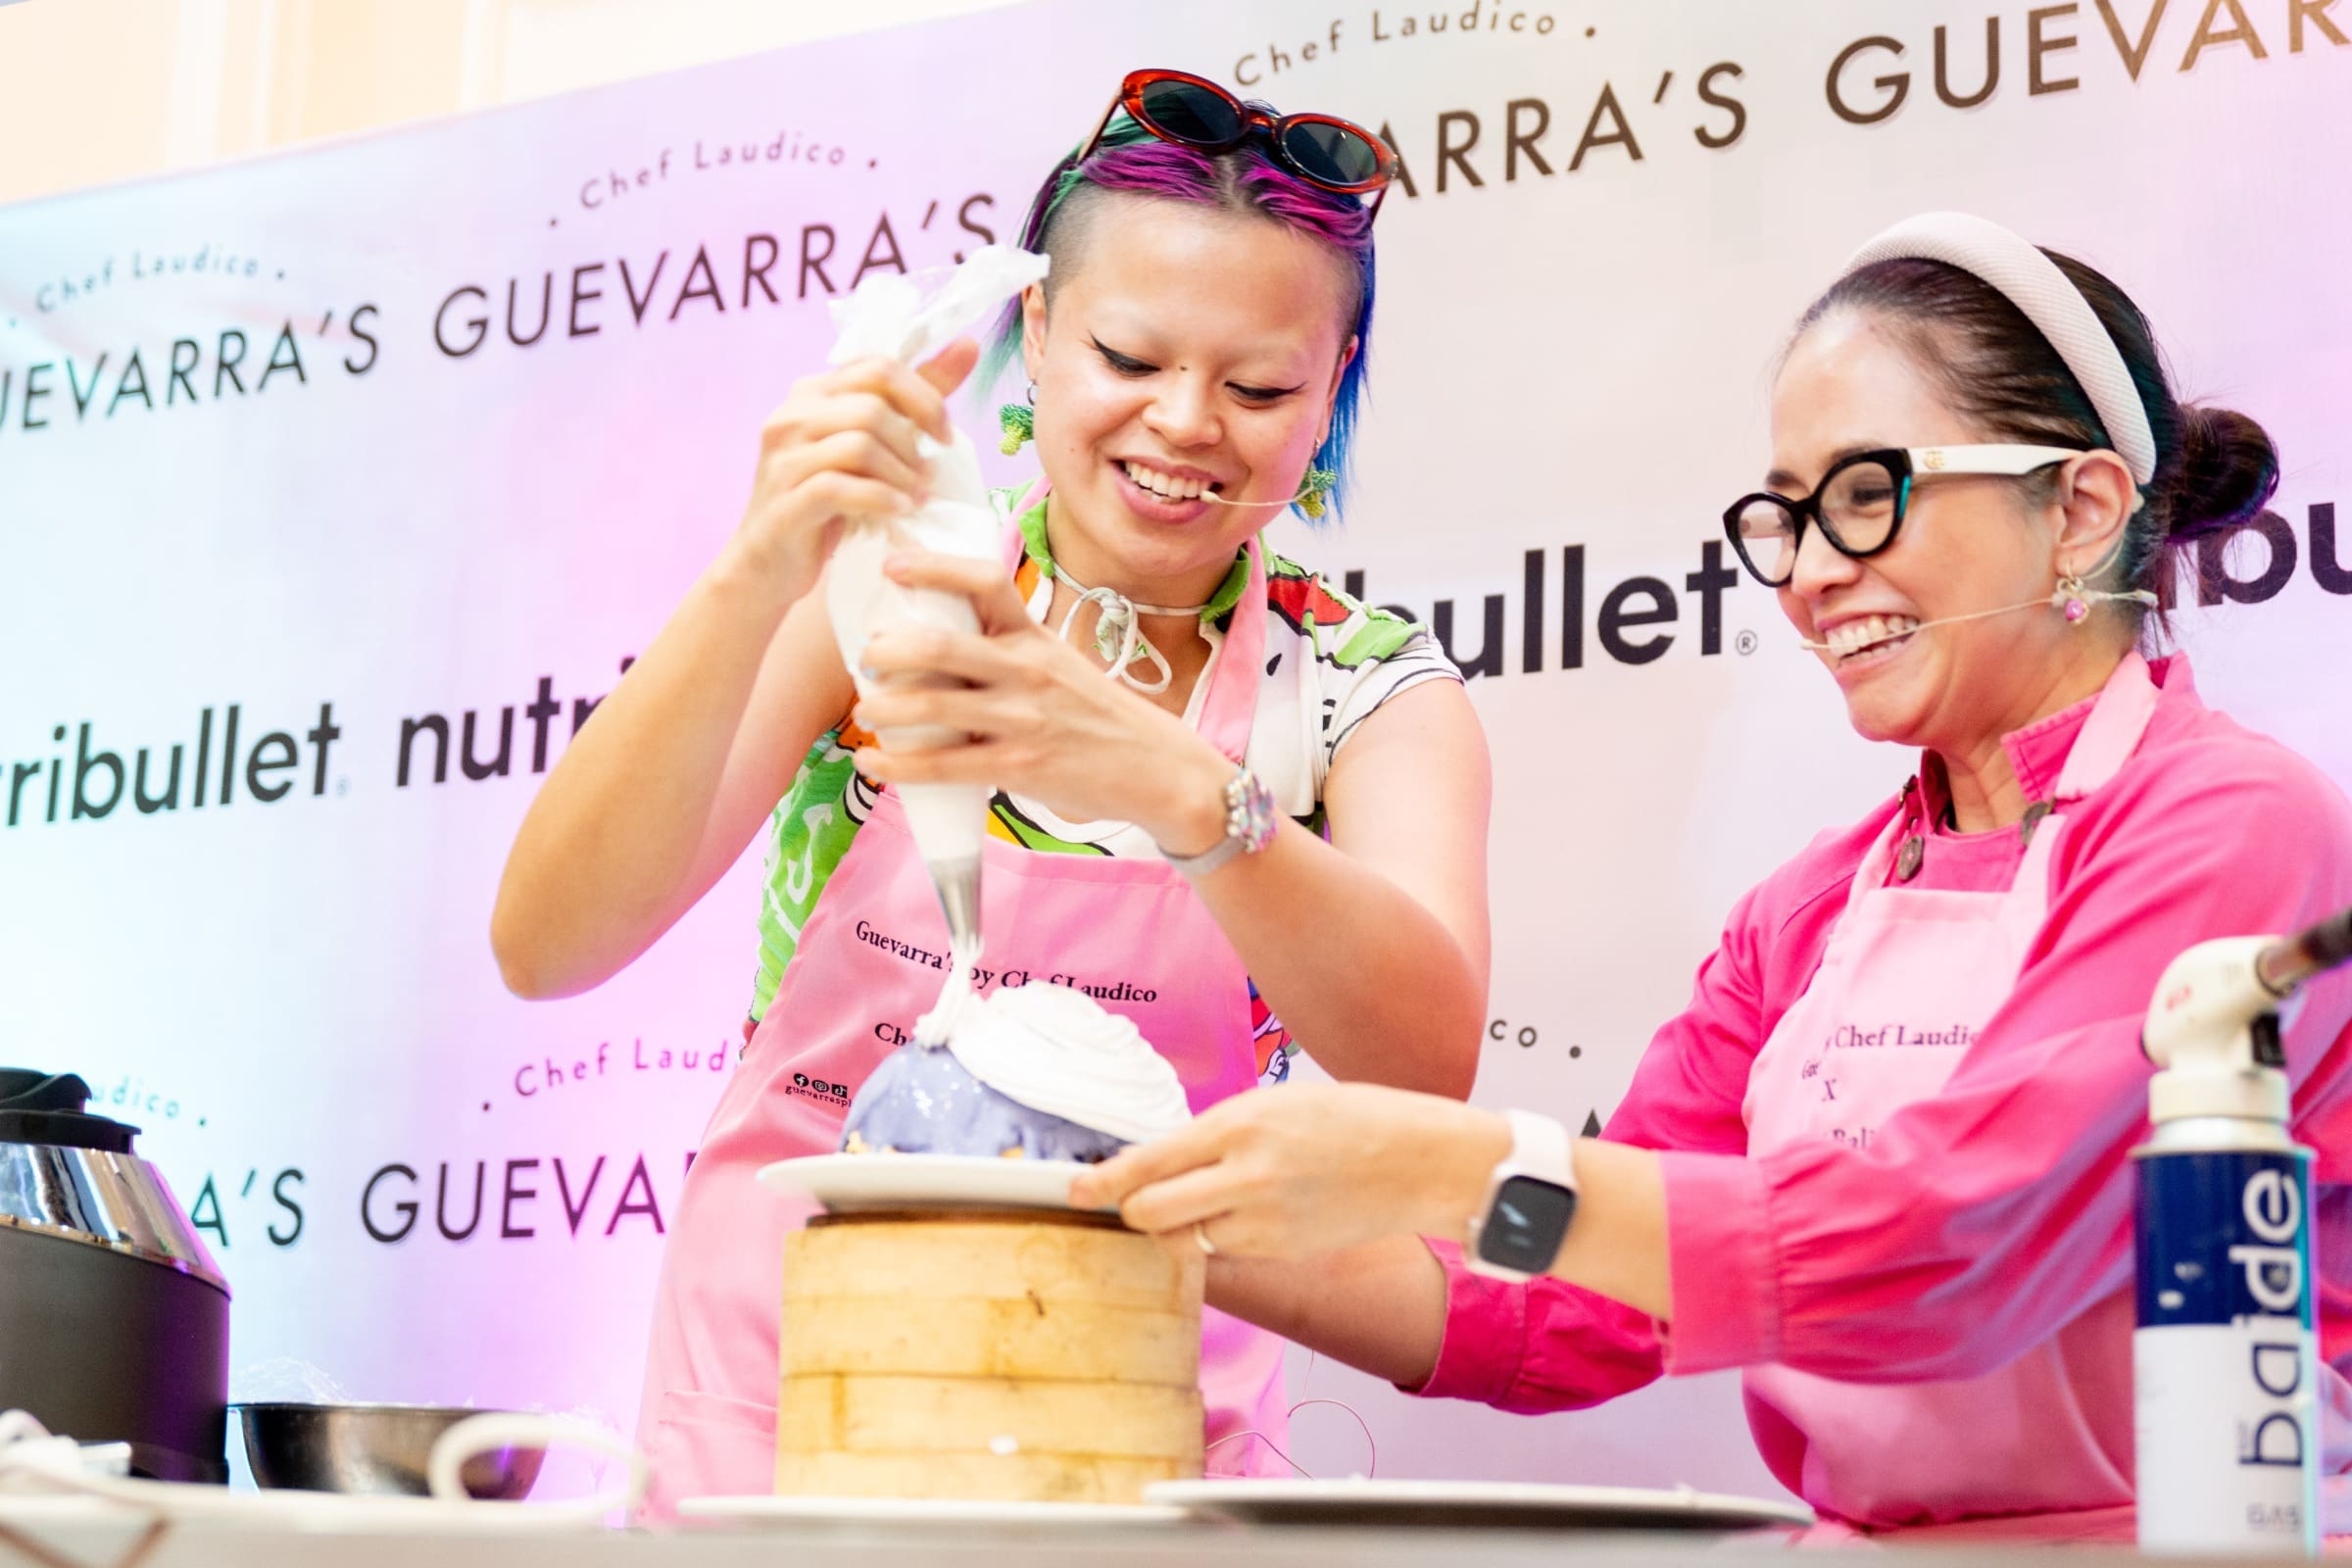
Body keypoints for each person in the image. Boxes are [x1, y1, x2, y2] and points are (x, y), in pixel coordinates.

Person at [1076, 212, 2352, 1541]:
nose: (1805, 571)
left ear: (2081, 508)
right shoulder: (1810, 909)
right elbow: (1572, 1299)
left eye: (1866, 496)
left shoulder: (2234, 828)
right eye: (1785, 516)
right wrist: (1141, 1208)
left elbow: (1949, 1244)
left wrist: (1442, 1161)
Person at [491, 69, 1492, 1511]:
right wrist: (757, 561)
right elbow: (546, 944)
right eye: (1131, 359)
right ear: (1034, 328)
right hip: (783, 1403)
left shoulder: (1362, 687)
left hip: (1136, 1415)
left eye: (1260, 385)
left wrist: (1180, 789)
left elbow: (1425, 1066)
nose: (1187, 424)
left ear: (1331, 383)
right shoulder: (886, 588)